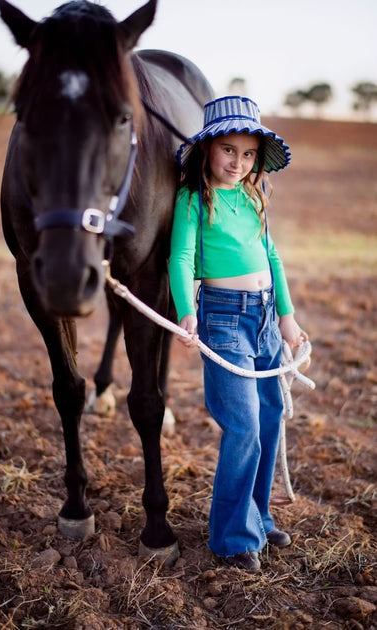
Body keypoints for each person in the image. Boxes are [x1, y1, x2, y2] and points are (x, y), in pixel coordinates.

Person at [168, 95, 308, 573]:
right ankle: (231, 538)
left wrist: (287, 317)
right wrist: (187, 311)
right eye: (228, 150)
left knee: (269, 417)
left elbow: (272, 257)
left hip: (266, 317)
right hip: (224, 318)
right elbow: (182, 258)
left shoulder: (253, 196)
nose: (238, 162)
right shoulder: (193, 198)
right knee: (243, 425)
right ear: (208, 149)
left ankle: (260, 515)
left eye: (248, 154)